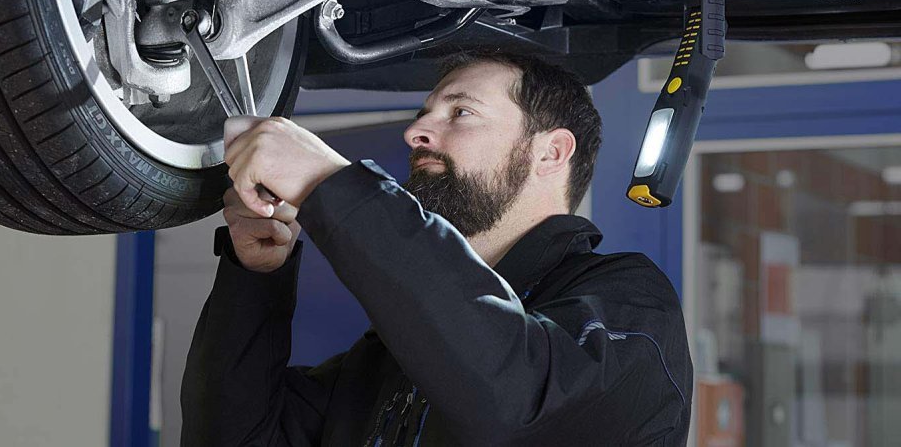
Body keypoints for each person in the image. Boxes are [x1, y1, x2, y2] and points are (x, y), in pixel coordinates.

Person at [180, 50, 693, 447]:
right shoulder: (391, 357)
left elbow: (516, 403)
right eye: (425, 113)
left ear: (550, 152)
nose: (415, 132)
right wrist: (256, 277)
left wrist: (325, 182)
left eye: (461, 112)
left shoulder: (633, 307)